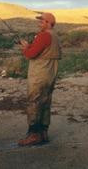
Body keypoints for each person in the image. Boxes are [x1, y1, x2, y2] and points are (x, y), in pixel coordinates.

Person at [18, 12, 62, 146]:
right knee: (45, 103)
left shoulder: (44, 35)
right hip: (51, 74)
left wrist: (25, 48)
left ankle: (33, 135)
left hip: (39, 74)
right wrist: (30, 46)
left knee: (34, 103)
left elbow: (31, 54)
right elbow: (43, 51)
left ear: (49, 23)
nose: (39, 23)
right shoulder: (55, 37)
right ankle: (43, 133)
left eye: (42, 21)